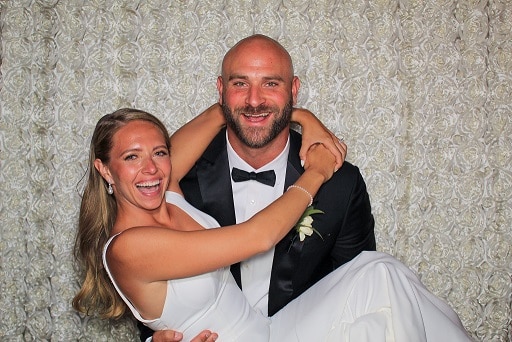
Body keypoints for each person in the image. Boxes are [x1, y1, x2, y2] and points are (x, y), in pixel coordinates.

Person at [73, 108, 472, 341]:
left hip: (268, 331)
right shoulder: (129, 247)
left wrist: (300, 116)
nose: (150, 168)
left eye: (159, 152)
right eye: (130, 157)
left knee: (382, 272)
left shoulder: (169, 194)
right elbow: (257, 237)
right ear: (104, 169)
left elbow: (222, 112)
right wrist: (315, 172)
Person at [144, 33, 375, 342]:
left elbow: (359, 288)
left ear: (294, 89)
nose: (254, 100)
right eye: (240, 84)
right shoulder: (177, 179)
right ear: (221, 90)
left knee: (385, 274)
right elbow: (149, 285)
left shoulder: (341, 183)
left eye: (271, 84)